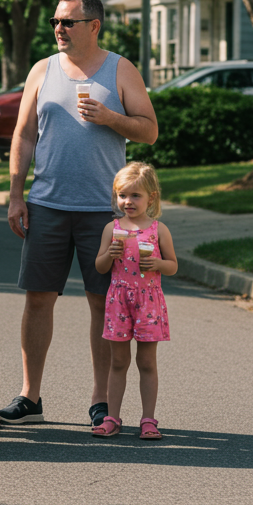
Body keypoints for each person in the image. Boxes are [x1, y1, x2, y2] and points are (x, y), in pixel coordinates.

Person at [1, 0, 159, 426]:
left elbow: (149, 131)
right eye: (55, 22)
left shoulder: (120, 69)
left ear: (94, 25)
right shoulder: (42, 70)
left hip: (104, 212)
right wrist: (17, 192)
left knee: (102, 302)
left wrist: (112, 118)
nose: (58, 29)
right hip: (47, 203)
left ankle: (101, 399)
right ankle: (29, 396)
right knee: (37, 299)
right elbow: (24, 134)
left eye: (67, 22)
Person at [92, 162, 177, 439]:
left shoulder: (158, 230)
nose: (128, 201)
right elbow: (100, 267)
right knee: (118, 362)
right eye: (122, 195)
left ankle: (148, 420)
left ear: (151, 197)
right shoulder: (112, 228)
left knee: (147, 362)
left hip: (148, 302)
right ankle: (112, 417)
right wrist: (110, 255)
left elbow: (173, 266)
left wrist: (157, 263)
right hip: (119, 301)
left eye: (135, 195)